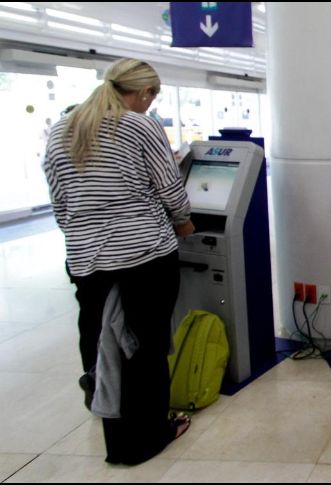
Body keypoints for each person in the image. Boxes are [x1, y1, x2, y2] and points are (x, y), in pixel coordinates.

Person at [43, 58, 194, 465]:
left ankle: (109, 415)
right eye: (152, 96)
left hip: (85, 260)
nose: (151, 104)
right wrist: (183, 222)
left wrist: (85, 235)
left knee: (100, 341)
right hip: (143, 255)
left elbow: (60, 202)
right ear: (143, 92)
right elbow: (170, 187)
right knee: (144, 347)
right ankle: (148, 437)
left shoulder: (62, 130)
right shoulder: (140, 125)